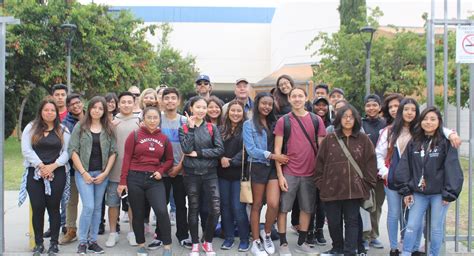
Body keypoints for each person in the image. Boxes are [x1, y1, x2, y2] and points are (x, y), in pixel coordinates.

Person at [376, 98, 461, 255]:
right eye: (426, 119)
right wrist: (404, 188)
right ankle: (404, 251)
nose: (428, 122)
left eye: (433, 119)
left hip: (439, 194)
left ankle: (431, 253)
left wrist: (449, 193)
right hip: (414, 190)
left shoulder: (444, 142)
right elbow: (402, 164)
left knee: (435, 227)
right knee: (409, 223)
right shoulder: (410, 139)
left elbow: (453, 169)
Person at [314, 104, 377, 255]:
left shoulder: (363, 139)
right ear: (338, 119)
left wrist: (367, 184)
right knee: (334, 222)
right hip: (331, 189)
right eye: (344, 116)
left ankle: (350, 250)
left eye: (351, 116)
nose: (348, 120)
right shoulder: (329, 139)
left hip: (354, 190)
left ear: (356, 119)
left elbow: (371, 162)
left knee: (352, 221)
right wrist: (321, 184)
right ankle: (337, 248)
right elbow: (319, 163)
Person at [274, 87, 326, 255]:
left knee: (307, 208)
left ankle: (302, 242)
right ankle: (283, 244)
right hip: (289, 172)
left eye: (300, 96)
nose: (297, 99)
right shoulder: (284, 121)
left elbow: (322, 150)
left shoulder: (316, 120)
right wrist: (280, 175)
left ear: (306, 98)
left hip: (310, 173)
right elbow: (277, 152)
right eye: (294, 96)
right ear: (289, 99)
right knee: (283, 209)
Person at [117, 106, 174, 256]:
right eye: (149, 117)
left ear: (159, 120)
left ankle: (167, 246)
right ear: (143, 118)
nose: (152, 120)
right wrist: (123, 182)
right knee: (138, 213)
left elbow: (169, 160)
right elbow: (126, 159)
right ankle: (141, 244)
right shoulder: (135, 135)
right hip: (134, 178)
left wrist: (161, 171)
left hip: (154, 179)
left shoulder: (164, 138)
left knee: (162, 211)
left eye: (155, 118)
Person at [20, 97, 71, 256]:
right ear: (41, 112)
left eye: (52, 110)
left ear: (57, 113)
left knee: (54, 208)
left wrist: (52, 166)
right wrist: (42, 166)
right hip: (35, 173)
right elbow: (26, 150)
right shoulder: (31, 128)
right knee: (37, 208)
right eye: (46, 110)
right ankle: (39, 244)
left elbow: (68, 152)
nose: (49, 113)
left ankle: (54, 244)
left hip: (57, 173)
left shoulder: (63, 130)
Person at [68, 96, 117, 254]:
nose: (97, 111)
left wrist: (106, 173)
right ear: (89, 109)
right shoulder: (80, 126)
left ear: (104, 111)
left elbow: (113, 152)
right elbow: (73, 151)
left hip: (102, 174)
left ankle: (93, 241)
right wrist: (83, 173)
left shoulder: (109, 128)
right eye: (94, 107)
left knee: (97, 209)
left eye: (100, 108)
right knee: (88, 206)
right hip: (84, 173)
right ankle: (82, 241)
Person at [179, 96, 224, 256]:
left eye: (204, 107)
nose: (201, 110)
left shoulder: (212, 128)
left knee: (216, 209)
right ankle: (195, 243)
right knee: (193, 209)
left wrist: (198, 153)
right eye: (197, 107)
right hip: (191, 175)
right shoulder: (184, 128)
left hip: (210, 174)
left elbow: (220, 150)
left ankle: (207, 241)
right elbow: (185, 149)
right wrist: (191, 128)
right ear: (191, 108)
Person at [148, 88, 192, 250]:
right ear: (162, 101)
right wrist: (162, 168)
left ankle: (183, 235)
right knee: (161, 205)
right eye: (167, 98)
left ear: (178, 101)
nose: (170, 101)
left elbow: (189, 147)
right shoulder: (156, 120)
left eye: (173, 98)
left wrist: (179, 166)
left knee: (181, 204)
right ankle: (160, 236)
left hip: (181, 170)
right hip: (161, 171)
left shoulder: (184, 121)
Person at [243, 92, 285, 256]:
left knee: (274, 204)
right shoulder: (248, 125)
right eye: (263, 103)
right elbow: (251, 150)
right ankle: (255, 241)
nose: (267, 106)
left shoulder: (275, 123)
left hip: (273, 168)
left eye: (269, 104)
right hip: (258, 166)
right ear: (257, 104)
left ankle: (266, 233)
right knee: (257, 205)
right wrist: (273, 156)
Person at [104, 92, 140, 248]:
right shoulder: (112, 121)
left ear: (134, 103)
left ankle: (133, 232)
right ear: (118, 104)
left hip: (134, 171)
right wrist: (109, 128)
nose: (126, 104)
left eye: (129, 102)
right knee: (113, 203)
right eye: (123, 102)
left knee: (133, 203)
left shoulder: (139, 121)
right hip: (114, 170)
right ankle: (113, 233)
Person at [217, 100, 250, 251]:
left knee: (238, 208)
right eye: (233, 111)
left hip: (239, 174)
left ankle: (244, 238)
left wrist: (230, 161)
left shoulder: (248, 128)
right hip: (222, 174)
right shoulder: (220, 128)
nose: (235, 113)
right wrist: (221, 158)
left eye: (239, 111)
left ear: (243, 113)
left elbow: (247, 150)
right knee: (225, 207)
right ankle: (229, 237)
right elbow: (215, 147)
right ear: (227, 112)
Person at [361, 94, 386, 250]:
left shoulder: (386, 124)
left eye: (374, 105)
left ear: (380, 107)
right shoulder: (361, 124)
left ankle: (374, 236)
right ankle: (364, 236)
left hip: (380, 173)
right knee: (365, 205)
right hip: (364, 172)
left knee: (378, 205)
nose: (371, 108)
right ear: (364, 108)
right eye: (368, 105)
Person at [60, 94, 85, 245]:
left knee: (91, 203)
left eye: (78, 103)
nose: (76, 106)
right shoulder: (65, 124)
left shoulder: (92, 117)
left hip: (93, 167)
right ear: (68, 107)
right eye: (72, 104)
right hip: (73, 168)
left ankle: (89, 230)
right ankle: (71, 230)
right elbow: (67, 148)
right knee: (71, 200)